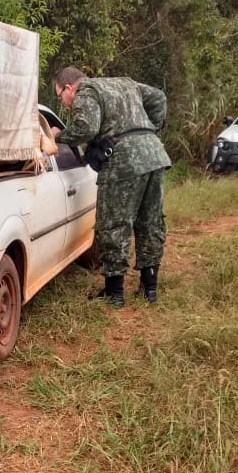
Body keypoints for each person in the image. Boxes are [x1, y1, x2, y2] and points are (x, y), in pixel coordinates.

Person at [51, 66, 171, 306]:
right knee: (150, 222)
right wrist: (149, 131)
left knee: (114, 225)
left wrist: (58, 135)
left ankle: (114, 294)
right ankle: (150, 290)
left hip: (124, 163)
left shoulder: (86, 90)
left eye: (61, 97)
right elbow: (159, 98)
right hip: (155, 155)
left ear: (68, 87)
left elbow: (86, 128)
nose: (64, 104)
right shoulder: (124, 82)